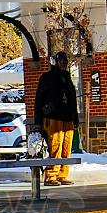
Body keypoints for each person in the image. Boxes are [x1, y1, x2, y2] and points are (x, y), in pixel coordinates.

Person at [34, 51, 78, 186]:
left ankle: (62, 174)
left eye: (64, 61)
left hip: (68, 119)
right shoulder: (47, 77)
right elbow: (38, 100)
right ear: (55, 62)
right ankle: (50, 175)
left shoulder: (67, 77)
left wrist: (75, 119)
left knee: (66, 147)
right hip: (52, 118)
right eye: (60, 61)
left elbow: (72, 100)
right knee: (55, 147)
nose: (62, 63)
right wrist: (38, 121)